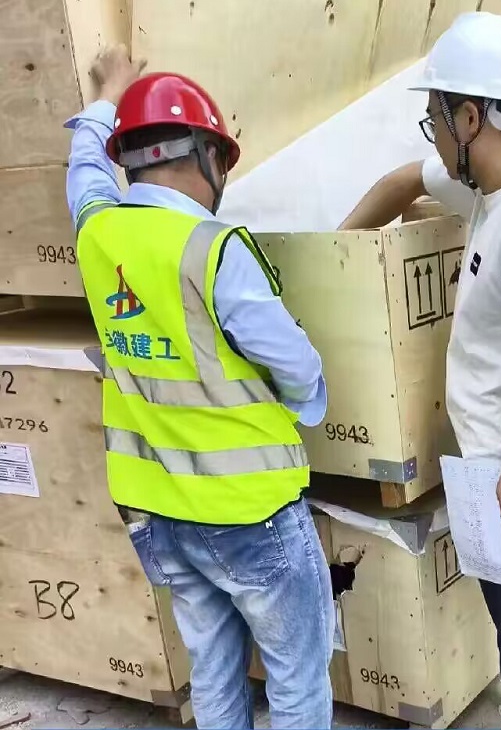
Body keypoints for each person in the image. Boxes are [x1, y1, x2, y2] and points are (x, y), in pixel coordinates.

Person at [66, 45, 336, 729]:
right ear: (207, 155)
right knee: (297, 676)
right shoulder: (214, 247)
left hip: (160, 513)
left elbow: (84, 172)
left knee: (213, 671)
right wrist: (301, 404)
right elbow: (295, 364)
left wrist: (107, 96)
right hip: (251, 512)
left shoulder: (98, 234)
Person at [339, 12, 501, 730]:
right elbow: (402, 180)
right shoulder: (499, 186)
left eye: (435, 119)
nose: (433, 136)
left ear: (472, 118)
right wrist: (339, 247)